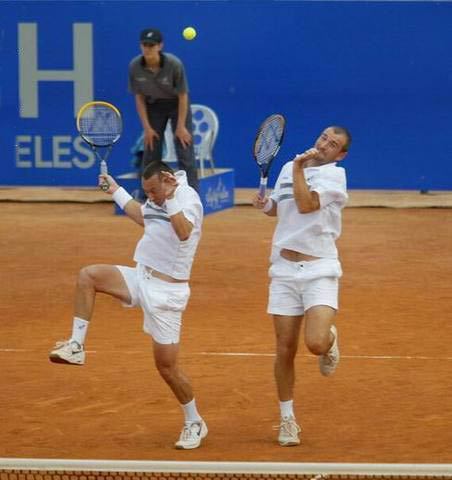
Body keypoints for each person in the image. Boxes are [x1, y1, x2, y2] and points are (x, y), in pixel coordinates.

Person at [49, 162, 207, 450]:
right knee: (88, 276)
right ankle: (76, 345)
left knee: (167, 367)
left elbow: (184, 232)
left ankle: (194, 420)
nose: (151, 197)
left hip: (166, 294)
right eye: (147, 192)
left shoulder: (188, 198)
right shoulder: (157, 196)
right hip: (140, 277)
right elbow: (144, 216)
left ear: (168, 180)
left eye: (153, 191)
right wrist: (115, 190)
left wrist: (170, 198)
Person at [252, 125, 352, 447]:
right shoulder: (287, 168)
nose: (324, 144)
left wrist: (298, 167)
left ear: (340, 155)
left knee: (316, 344)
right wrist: (265, 205)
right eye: (323, 137)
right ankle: (287, 419)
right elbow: (281, 208)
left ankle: (329, 339)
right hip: (283, 270)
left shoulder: (335, 176)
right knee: (284, 348)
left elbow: (307, 204)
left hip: (319, 268)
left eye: (332, 144)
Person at [128, 27, 199, 192]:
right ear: (140, 46)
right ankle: (148, 196)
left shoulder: (174, 64)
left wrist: (181, 127)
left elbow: (183, 96)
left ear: (160, 46)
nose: (148, 49)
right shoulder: (134, 66)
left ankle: (192, 194)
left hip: (177, 105)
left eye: (151, 45)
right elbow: (139, 98)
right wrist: (147, 128)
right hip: (154, 106)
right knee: (151, 150)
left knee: (184, 149)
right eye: (145, 45)